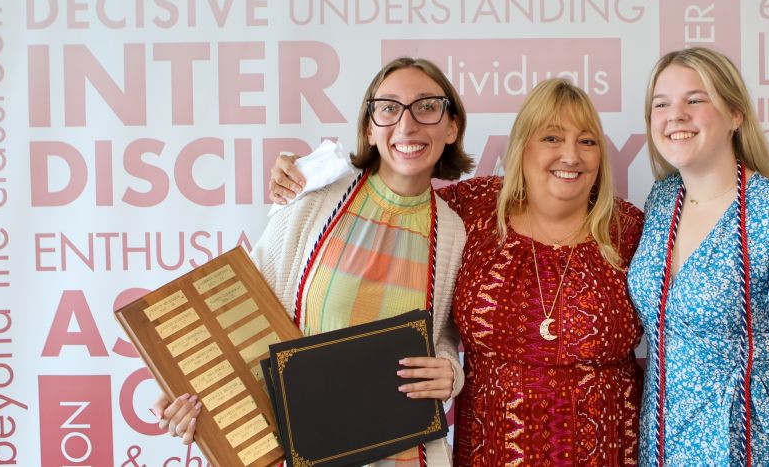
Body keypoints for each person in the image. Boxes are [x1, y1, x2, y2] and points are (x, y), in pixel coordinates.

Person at [271, 78, 644, 466]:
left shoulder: (630, 230)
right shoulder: (472, 209)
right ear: (522, 147)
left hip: (607, 450)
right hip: (491, 450)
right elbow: (387, 200)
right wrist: (307, 177)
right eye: (551, 138)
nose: (571, 155)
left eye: (587, 141)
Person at [152, 57, 474, 467]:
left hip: (405, 455)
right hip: (311, 452)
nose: (407, 126)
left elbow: (442, 335)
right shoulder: (314, 195)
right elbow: (244, 300)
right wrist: (185, 382)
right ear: (369, 128)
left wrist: (450, 372)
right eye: (389, 108)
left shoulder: (452, 232)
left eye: (427, 107)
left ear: (452, 127)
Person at [626, 47, 769, 467]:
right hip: (665, 444)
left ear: (735, 114)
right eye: (661, 104)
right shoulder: (661, 203)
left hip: (756, 446)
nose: (674, 115)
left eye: (695, 100)